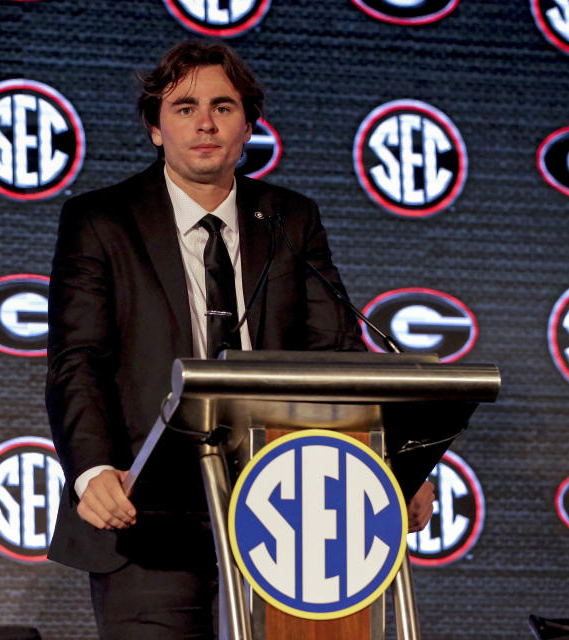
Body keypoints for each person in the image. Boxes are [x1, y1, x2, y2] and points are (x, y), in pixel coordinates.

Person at [45, 40, 434, 640]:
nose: (205, 123)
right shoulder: (101, 220)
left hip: (290, 510)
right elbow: (79, 360)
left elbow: (336, 357)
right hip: (148, 514)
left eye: (223, 107)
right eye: (184, 107)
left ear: (247, 124)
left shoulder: (290, 218)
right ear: (155, 128)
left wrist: (393, 466)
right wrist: (94, 468)